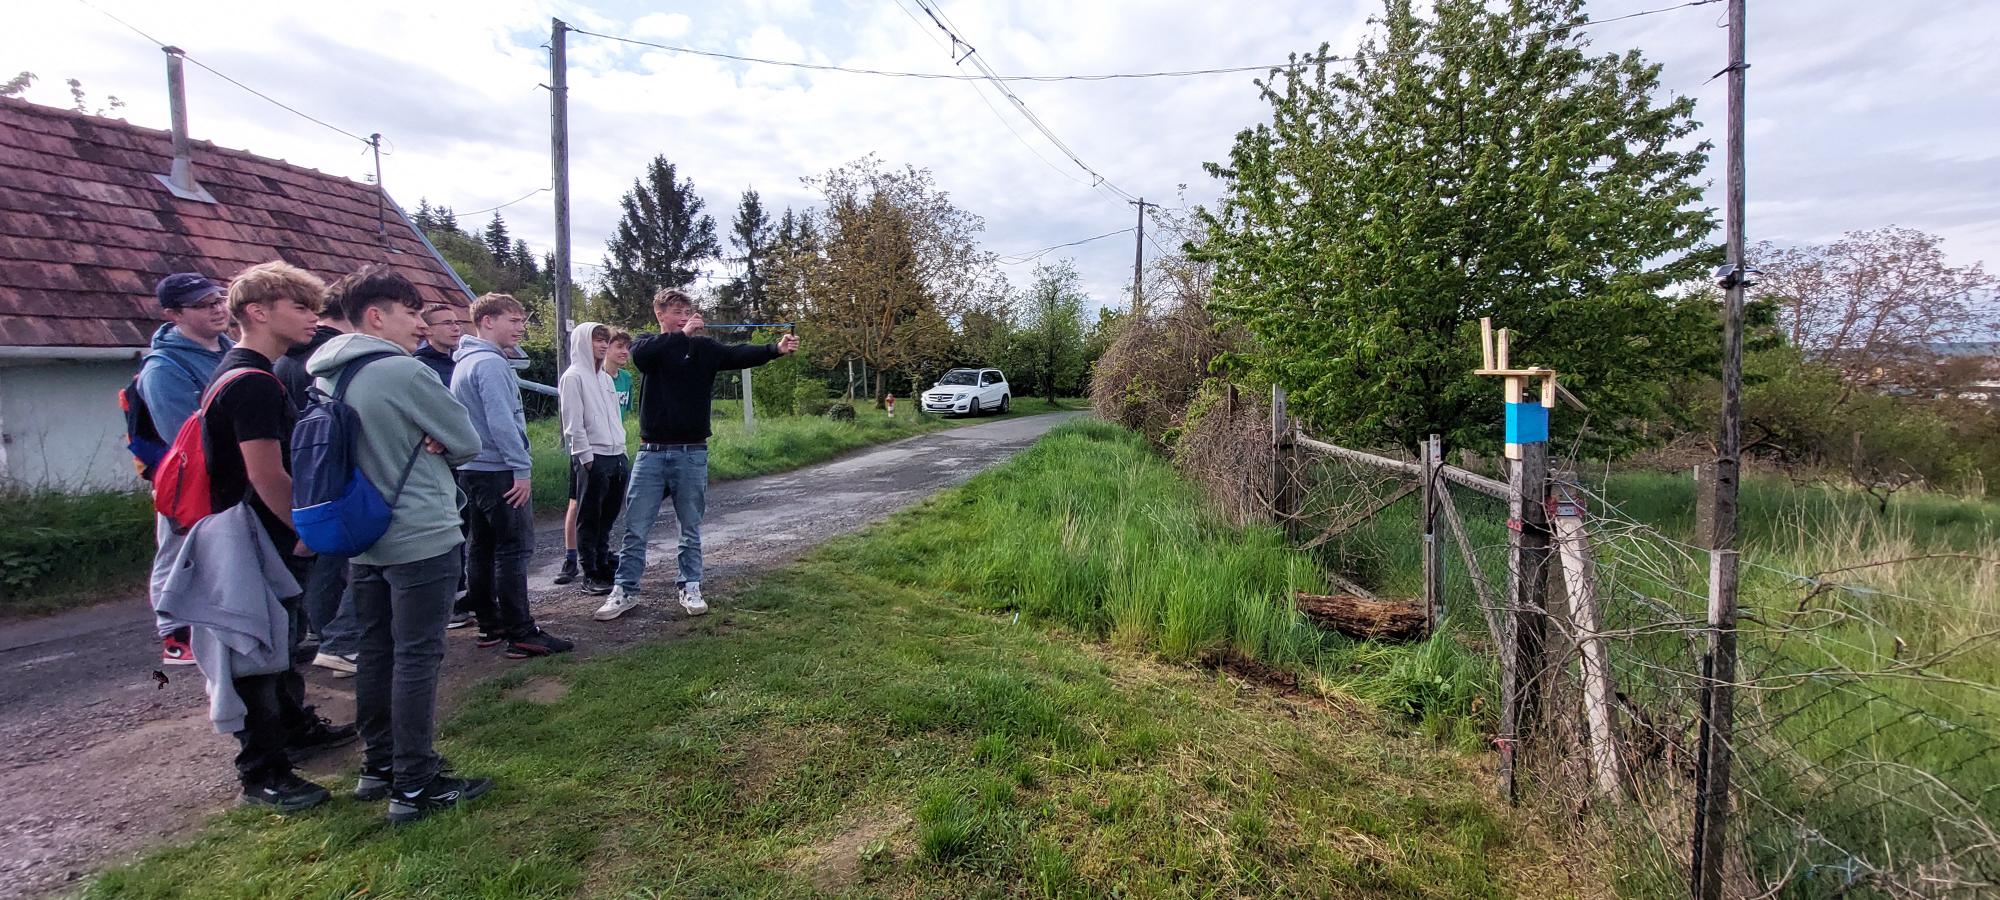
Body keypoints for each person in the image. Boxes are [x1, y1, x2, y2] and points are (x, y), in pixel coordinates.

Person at [306, 265, 491, 824]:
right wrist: (434, 436)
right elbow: (467, 440)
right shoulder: (403, 372)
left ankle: (379, 766)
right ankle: (415, 784)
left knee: (377, 651)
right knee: (417, 656)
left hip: (364, 535)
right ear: (375, 316)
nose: (421, 324)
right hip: (420, 532)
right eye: (410, 313)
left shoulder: (327, 374)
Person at [199, 260, 360, 809]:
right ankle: (263, 772)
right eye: (301, 307)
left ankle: (293, 727)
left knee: (283, 642)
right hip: (252, 535)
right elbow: (266, 473)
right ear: (258, 312)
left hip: (252, 530)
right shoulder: (252, 383)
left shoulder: (246, 370)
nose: (314, 317)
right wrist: (304, 527)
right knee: (259, 649)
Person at [595, 290, 798, 621]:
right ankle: (625, 591)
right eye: (677, 312)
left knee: (689, 528)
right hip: (651, 454)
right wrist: (681, 335)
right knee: (636, 527)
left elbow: (737, 354)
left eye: (687, 311)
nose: (684, 317)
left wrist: (775, 349)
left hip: (692, 453)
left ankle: (690, 586)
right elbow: (643, 358)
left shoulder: (704, 349)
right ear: (660, 314)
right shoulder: (648, 344)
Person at [451, 293, 574, 658]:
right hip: (499, 470)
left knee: (482, 547)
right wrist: (521, 468)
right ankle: (521, 632)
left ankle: (491, 624)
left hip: (472, 469)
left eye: (522, 320)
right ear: (487, 321)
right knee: (514, 549)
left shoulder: (465, 360)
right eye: (514, 320)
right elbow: (502, 422)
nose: (521, 328)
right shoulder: (489, 363)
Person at [140, 273, 235, 666]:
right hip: (184, 479)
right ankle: (174, 636)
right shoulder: (163, 368)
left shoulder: (230, 349)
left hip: (227, 473)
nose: (216, 309)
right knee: (178, 553)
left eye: (218, 299)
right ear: (173, 314)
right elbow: (179, 433)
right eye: (202, 304)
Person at [273, 294, 360, 675]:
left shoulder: (285, 359)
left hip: (300, 468)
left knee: (316, 559)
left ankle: (317, 633)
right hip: (331, 469)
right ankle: (337, 640)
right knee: (337, 558)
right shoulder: (334, 357)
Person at [558, 328, 634, 586]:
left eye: (605, 340)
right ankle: (589, 571)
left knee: (608, 515)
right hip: (594, 457)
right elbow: (573, 423)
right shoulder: (573, 377)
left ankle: (603, 563)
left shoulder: (606, 379)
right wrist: (587, 457)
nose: (602, 345)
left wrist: (622, 451)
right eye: (597, 340)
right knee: (589, 517)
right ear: (583, 342)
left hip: (616, 455)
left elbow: (615, 417)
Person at [414, 303, 468, 384]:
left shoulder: (462, 360)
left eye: (457, 323)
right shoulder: (420, 365)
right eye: (447, 323)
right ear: (427, 329)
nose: (456, 328)